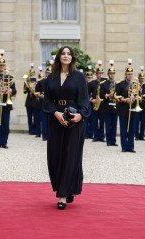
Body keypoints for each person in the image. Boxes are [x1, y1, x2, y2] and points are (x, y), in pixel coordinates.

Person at [43, 46, 91, 210]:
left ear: (72, 57)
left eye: (68, 53)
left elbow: (84, 100)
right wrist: (55, 113)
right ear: (58, 57)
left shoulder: (78, 77)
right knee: (55, 156)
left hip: (74, 121)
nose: (65, 56)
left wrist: (81, 116)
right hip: (56, 119)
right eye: (63, 54)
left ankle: (63, 195)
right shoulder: (52, 77)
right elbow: (47, 101)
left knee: (71, 156)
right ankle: (65, 188)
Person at [115, 59, 139, 153]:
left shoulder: (135, 84)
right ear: (125, 74)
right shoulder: (120, 84)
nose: (130, 75)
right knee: (124, 129)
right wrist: (125, 99)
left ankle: (131, 146)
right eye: (128, 74)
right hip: (123, 109)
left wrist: (134, 98)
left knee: (132, 129)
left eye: (131, 74)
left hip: (132, 109)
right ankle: (124, 146)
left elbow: (138, 96)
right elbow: (116, 96)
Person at [99, 60, 118, 146]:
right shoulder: (103, 84)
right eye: (110, 74)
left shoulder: (117, 84)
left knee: (114, 125)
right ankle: (108, 141)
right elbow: (101, 95)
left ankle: (113, 141)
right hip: (106, 107)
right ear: (108, 74)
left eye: (113, 74)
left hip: (115, 107)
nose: (112, 75)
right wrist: (108, 95)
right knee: (108, 124)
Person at [89, 61, 106, 142]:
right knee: (94, 121)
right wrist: (91, 100)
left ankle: (102, 136)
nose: (100, 75)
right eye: (99, 73)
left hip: (103, 104)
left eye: (101, 73)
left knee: (102, 121)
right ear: (96, 74)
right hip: (95, 104)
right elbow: (87, 94)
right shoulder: (92, 83)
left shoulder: (105, 83)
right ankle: (96, 136)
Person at [24, 64, 37, 135]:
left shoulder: (37, 82)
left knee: (35, 117)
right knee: (29, 117)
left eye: (33, 75)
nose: (32, 76)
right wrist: (27, 86)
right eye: (31, 75)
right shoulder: (27, 82)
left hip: (35, 101)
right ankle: (30, 130)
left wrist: (35, 85)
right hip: (29, 101)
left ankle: (35, 130)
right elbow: (24, 92)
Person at [135, 66, 145, 141]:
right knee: (136, 121)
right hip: (137, 105)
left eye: (142, 78)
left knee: (143, 121)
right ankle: (136, 135)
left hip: (143, 105)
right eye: (140, 78)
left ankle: (142, 135)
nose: (141, 79)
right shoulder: (136, 86)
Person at [85, 65, 94, 139]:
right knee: (86, 120)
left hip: (93, 104)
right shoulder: (84, 85)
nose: (89, 79)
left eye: (90, 78)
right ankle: (86, 133)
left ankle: (91, 133)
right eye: (88, 78)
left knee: (92, 120)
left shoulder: (94, 84)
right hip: (86, 104)